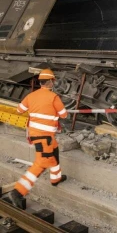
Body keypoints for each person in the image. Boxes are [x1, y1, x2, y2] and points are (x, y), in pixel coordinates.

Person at [9, 69, 68, 208]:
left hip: (39, 135)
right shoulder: (54, 97)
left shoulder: (31, 96)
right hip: (44, 136)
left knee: (54, 152)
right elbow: (64, 115)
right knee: (41, 163)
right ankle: (18, 192)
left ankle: (56, 178)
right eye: (53, 80)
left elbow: (19, 110)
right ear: (51, 81)